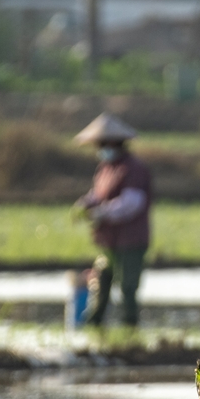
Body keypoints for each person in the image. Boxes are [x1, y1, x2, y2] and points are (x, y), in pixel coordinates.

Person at [72, 113, 153, 327]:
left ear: (115, 143)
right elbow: (98, 195)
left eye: (103, 144)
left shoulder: (133, 169)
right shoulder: (106, 168)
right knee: (100, 282)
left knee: (127, 287)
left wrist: (101, 213)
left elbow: (131, 203)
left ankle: (129, 327)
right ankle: (93, 324)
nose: (100, 149)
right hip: (108, 240)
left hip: (130, 240)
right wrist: (85, 204)